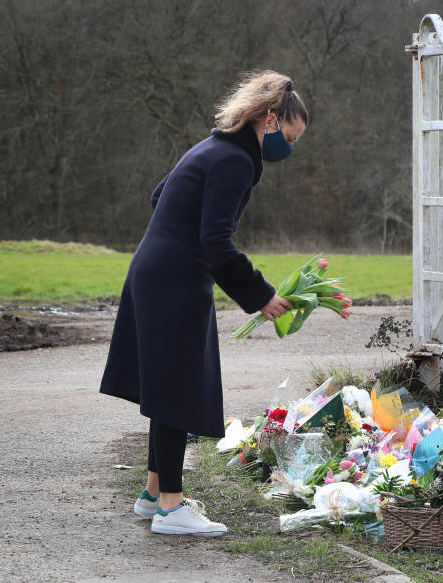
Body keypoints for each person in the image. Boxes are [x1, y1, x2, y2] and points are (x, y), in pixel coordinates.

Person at [100, 71, 307, 536]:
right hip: (175, 279)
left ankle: (154, 494)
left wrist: (175, 238)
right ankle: (173, 510)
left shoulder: (210, 147)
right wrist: (261, 296)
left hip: (155, 269)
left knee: (167, 386)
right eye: (290, 138)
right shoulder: (234, 161)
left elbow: (161, 196)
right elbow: (216, 240)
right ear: (270, 121)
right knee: (177, 390)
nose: (289, 151)